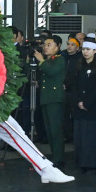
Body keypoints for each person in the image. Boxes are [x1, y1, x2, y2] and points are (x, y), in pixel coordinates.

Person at [66, 42, 96, 173]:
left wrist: (87, 103)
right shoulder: (79, 66)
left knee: (92, 136)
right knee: (80, 136)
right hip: (79, 107)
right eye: (84, 49)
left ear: (95, 50)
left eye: (88, 49)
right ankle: (81, 162)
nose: (85, 52)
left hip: (93, 108)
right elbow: (73, 85)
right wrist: (78, 101)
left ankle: (92, 164)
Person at [33, 35, 67, 168]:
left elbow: (52, 72)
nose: (45, 47)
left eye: (49, 45)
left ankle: (59, 158)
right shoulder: (48, 60)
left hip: (55, 98)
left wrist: (41, 61)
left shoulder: (60, 59)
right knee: (49, 129)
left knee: (55, 130)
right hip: (46, 98)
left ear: (57, 47)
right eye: (45, 45)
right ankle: (54, 155)